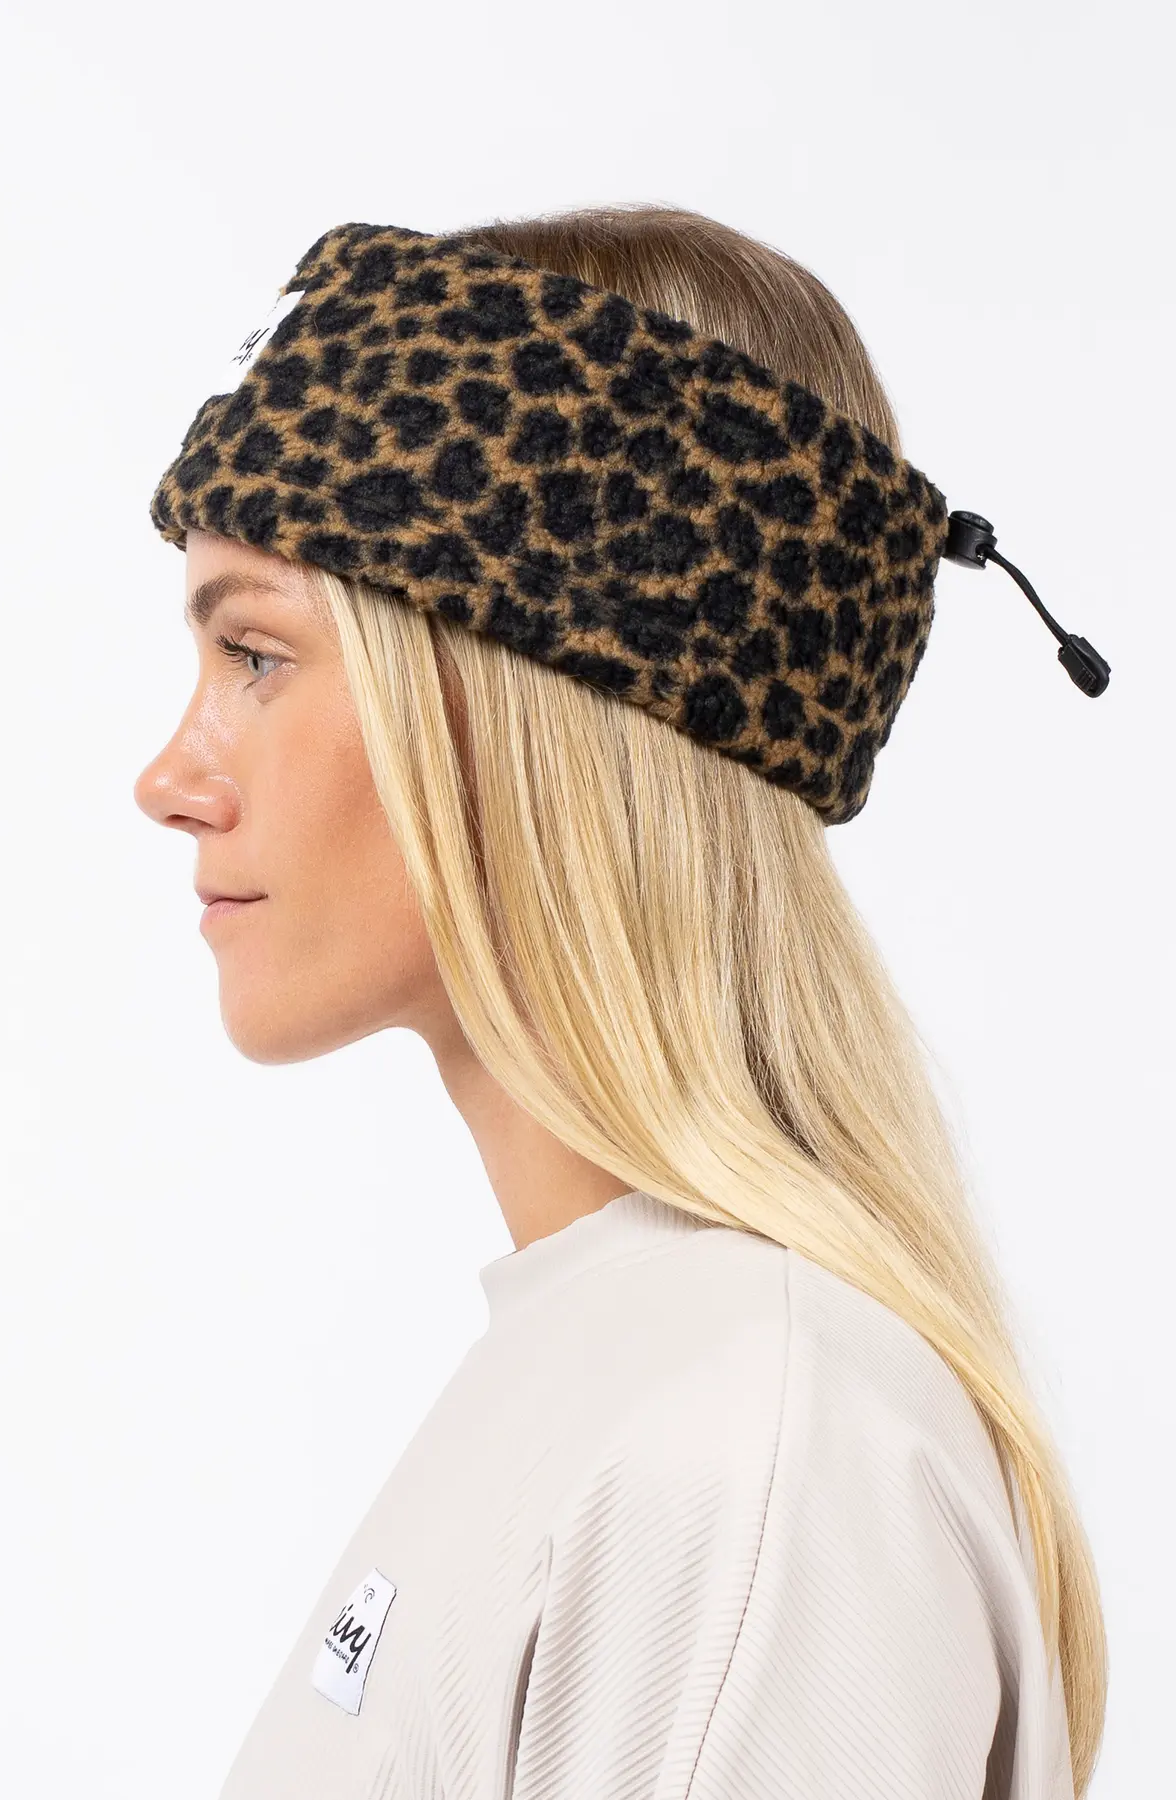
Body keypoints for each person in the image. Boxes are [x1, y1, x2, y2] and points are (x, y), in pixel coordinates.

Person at [134, 203, 1106, 1799]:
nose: (169, 779)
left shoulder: (752, 1451)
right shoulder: (641, 1377)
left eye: (257, 654)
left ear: (536, 704)